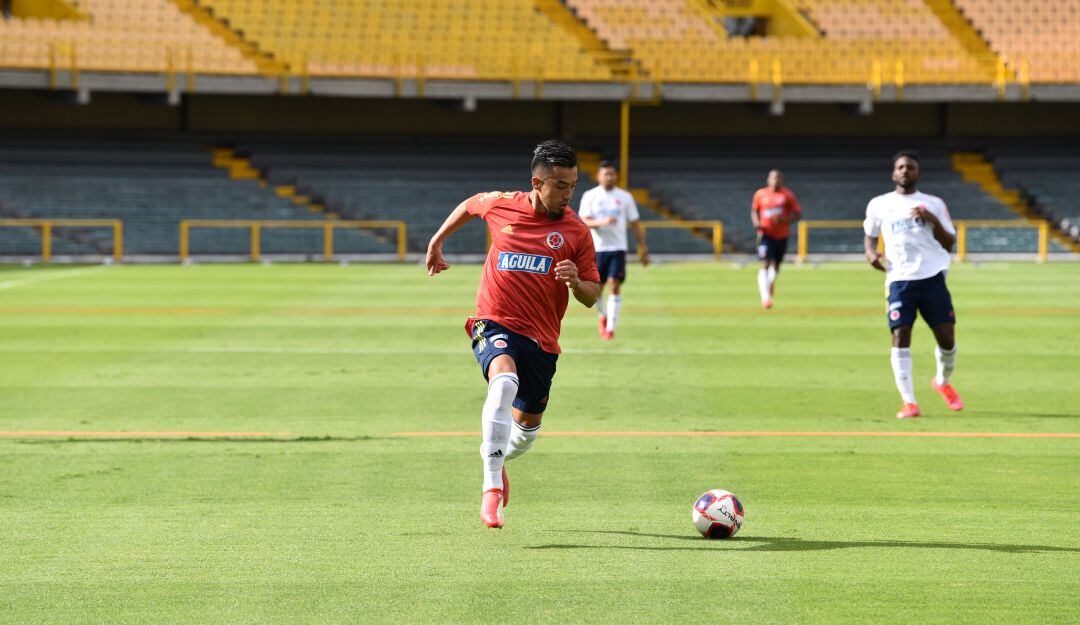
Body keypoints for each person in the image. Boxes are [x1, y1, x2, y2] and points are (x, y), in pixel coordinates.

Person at [426, 139, 600, 528]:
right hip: (495, 321)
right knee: (503, 382)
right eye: (561, 186)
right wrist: (438, 241)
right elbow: (471, 204)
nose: (569, 195)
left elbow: (592, 295)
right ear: (537, 183)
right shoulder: (502, 203)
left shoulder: (576, 232)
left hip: (542, 340)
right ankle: (490, 491)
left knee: (523, 436)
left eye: (573, 185)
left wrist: (576, 283)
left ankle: (498, 460)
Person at [864, 151, 964, 419]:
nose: (905, 170)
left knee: (947, 340)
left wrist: (930, 217)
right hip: (899, 278)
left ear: (917, 173)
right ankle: (909, 402)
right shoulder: (879, 204)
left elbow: (949, 241)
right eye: (900, 167)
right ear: (893, 173)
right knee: (900, 335)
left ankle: (942, 382)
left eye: (910, 167)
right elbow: (870, 234)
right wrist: (872, 254)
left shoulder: (933, 203)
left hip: (932, 276)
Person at [578, 160, 649, 340]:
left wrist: (643, 248)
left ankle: (610, 328)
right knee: (596, 291)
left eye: (612, 174)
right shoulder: (590, 196)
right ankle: (603, 316)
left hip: (617, 248)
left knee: (614, 285)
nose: (609, 177)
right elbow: (583, 221)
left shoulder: (625, 197)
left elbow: (635, 224)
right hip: (596, 250)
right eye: (606, 174)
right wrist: (602, 222)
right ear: (598, 176)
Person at [751, 169, 801, 309]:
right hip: (765, 234)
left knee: (776, 266)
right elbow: (754, 210)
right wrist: (756, 222)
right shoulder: (760, 194)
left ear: (781, 180)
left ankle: (770, 283)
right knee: (764, 264)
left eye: (778, 178)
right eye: (773, 178)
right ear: (768, 179)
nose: (775, 181)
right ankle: (765, 298)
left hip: (781, 235)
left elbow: (797, 214)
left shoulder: (787, 195)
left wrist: (784, 218)